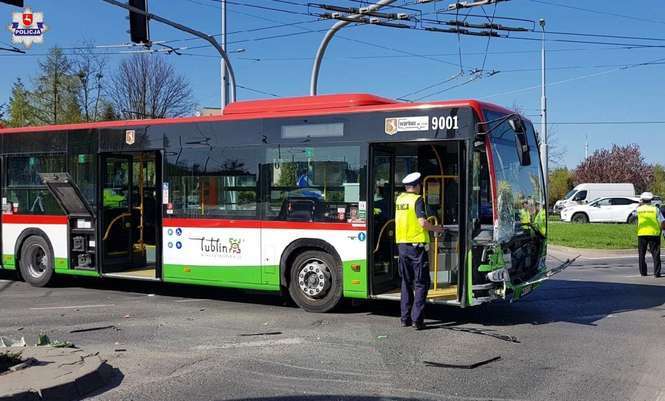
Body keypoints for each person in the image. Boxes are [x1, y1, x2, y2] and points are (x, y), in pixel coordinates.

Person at [395, 172, 444, 330]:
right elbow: (422, 223)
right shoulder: (417, 200)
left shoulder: (400, 200)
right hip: (416, 248)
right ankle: (418, 320)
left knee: (406, 282)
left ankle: (405, 318)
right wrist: (437, 228)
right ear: (416, 186)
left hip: (402, 246)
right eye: (420, 185)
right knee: (422, 283)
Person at [636, 192, 665, 278]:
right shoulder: (655, 209)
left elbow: (635, 217)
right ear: (651, 200)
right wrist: (663, 229)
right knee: (656, 254)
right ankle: (657, 273)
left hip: (642, 233)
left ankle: (643, 272)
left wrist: (639, 205)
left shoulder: (639, 209)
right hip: (654, 234)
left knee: (641, 254)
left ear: (642, 200)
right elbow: (662, 221)